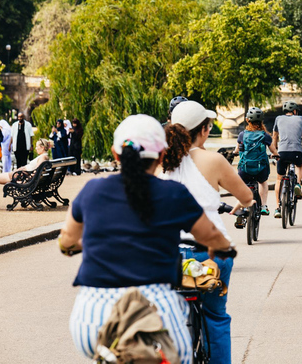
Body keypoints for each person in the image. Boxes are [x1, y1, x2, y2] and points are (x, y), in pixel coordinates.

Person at [60, 114, 234, 364]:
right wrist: (224, 247)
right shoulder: (173, 193)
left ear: (115, 154)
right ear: (162, 155)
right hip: (156, 316)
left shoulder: (92, 190)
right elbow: (210, 235)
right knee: (177, 355)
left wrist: (82, 245)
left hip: (93, 321)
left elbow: (67, 241)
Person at [162, 100, 254, 364]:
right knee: (215, 317)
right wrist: (244, 203)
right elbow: (247, 196)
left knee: (164, 317)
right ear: (203, 130)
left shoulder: (159, 160)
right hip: (210, 254)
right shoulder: (213, 160)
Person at [0, 138, 52, 210]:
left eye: (37, 146)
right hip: (20, 176)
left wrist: (24, 175)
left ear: (42, 148)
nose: (36, 148)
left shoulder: (42, 158)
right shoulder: (44, 157)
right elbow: (36, 172)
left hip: (19, 177)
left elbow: (35, 172)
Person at [272, 101, 302, 218]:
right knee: (300, 165)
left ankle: (277, 208)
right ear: (295, 111)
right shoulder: (301, 119)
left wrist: (275, 151)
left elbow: (274, 136)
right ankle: (298, 184)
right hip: (296, 151)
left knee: (279, 179)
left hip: (282, 152)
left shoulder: (278, 119)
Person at [236, 107, 277, 217]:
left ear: (247, 120)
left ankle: (240, 211)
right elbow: (273, 151)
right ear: (261, 121)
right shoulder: (265, 136)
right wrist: (276, 155)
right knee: (263, 182)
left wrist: (234, 154)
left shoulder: (242, 135)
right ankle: (263, 206)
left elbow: (236, 150)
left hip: (244, 169)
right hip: (260, 170)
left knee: (242, 185)